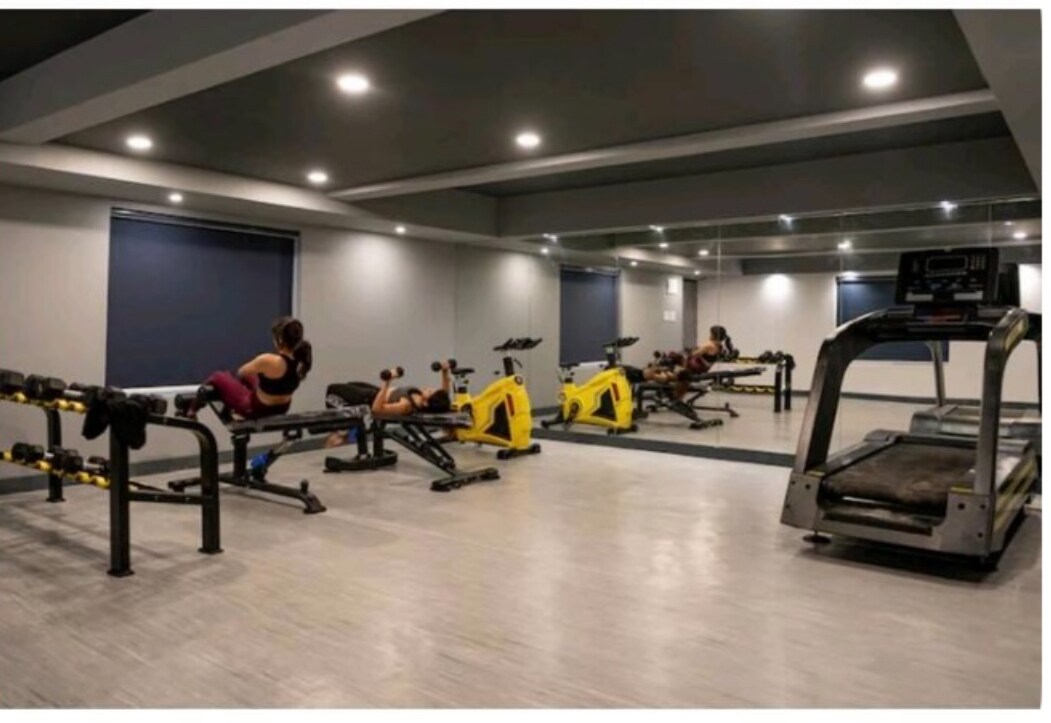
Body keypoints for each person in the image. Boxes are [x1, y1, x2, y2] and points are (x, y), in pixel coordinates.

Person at [178, 316, 312, 420]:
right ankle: (233, 405)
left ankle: (191, 411)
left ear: (279, 340)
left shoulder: (270, 360)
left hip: (258, 409)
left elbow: (241, 372)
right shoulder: (301, 359)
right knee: (250, 378)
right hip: (282, 408)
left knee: (218, 376)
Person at [324, 363, 453, 447]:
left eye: (430, 391)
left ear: (426, 402)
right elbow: (443, 394)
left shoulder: (406, 405)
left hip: (366, 400)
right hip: (374, 391)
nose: (429, 388)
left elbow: (377, 409)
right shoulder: (424, 400)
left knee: (333, 390)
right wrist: (445, 371)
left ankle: (340, 432)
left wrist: (388, 381)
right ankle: (342, 432)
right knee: (347, 385)